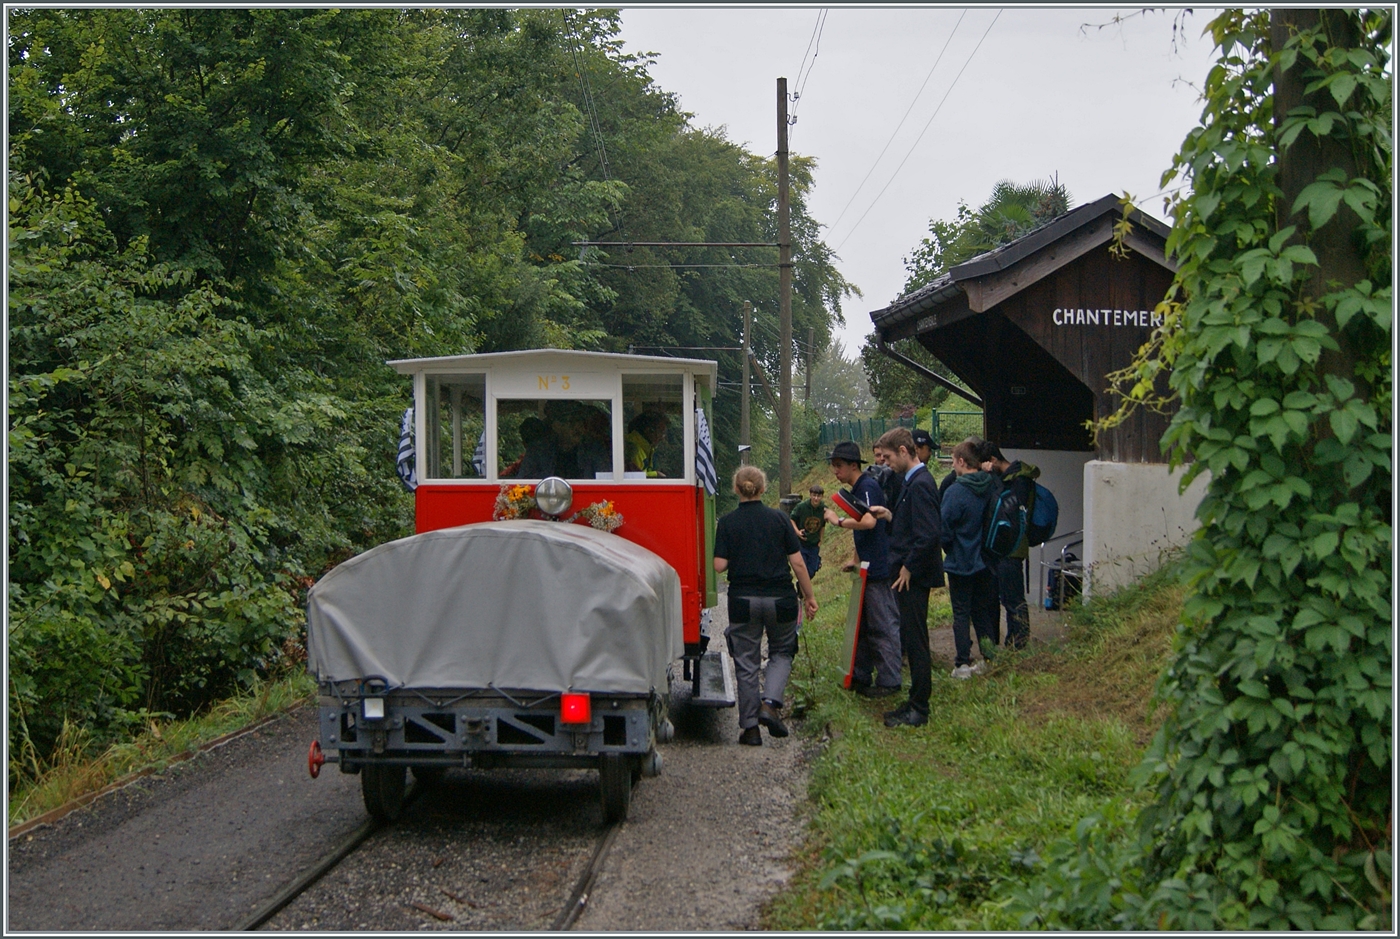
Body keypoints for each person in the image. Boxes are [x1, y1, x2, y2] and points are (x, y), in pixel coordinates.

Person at [713, 466, 819, 746]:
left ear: (736, 489)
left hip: (743, 601)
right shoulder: (780, 519)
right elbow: (797, 562)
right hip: (781, 598)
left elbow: (720, 565)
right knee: (782, 652)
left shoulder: (727, 522)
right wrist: (809, 597)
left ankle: (750, 730)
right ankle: (770, 704)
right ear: (763, 489)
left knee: (746, 661)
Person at [867, 427, 943, 728]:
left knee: (915, 640)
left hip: (913, 576)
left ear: (903, 451)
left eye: (888, 457)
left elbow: (928, 535)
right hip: (906, 572)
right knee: (910, 638)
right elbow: (913, 526)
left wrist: (908, 568)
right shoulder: (913, 483)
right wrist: (890, 517)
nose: (886, 464)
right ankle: (913, 700)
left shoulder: (922, 484)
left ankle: (920, 707)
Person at [824, 441, 901, 698]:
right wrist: (855, 560)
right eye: (834, 466)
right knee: (864, 626)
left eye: (839, 466)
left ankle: (890, 681)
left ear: (853, 465)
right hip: (867, 566)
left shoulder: (867, 486)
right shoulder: (858, 487)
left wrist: (838, 521)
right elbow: (866, 533)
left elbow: (868, 522)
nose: (835, 471)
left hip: (878, 569)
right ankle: (859, 675)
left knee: (882, 625)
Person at [940, 438, 1000, 679]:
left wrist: (950, 548)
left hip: (961, 562)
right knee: (981, 611)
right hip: (986, 560)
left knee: (961, 613)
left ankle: (962, 663)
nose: (953, 467)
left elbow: (944, 529)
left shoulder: (956, 491)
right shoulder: (990, 485)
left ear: (962, 462)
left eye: (954, 462)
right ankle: (989, 657)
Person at [978, 442, 1039, 650]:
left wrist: (991, 477)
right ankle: (1011, 641)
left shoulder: (1020, 480)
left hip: (1012, 548)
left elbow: (1006, 505)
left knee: (1013, 599)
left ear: (993, 461)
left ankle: (1019, 643)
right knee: (1006, 598)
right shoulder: (1013, 477)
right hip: (1005, 547)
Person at [789, 484, 827, 579]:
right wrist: (797, 532)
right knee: (803, 570)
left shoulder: (824, 508)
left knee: (811, 571)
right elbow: (791, 519)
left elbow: (823, 525)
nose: (816, 498)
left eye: (818, 496)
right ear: (810, 495)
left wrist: (821, 539)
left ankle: (817, 562)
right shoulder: (802, 507)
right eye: (814, 495)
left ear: (822, 497)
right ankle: (802, 592)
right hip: (802, 543)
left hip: (814, 544)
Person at [624, 411, 670, 476]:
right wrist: (656, 475)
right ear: (648, 430)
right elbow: (635, 479)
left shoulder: (644, 448)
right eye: (661, 432)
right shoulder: (633, 450)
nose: (663, 438)